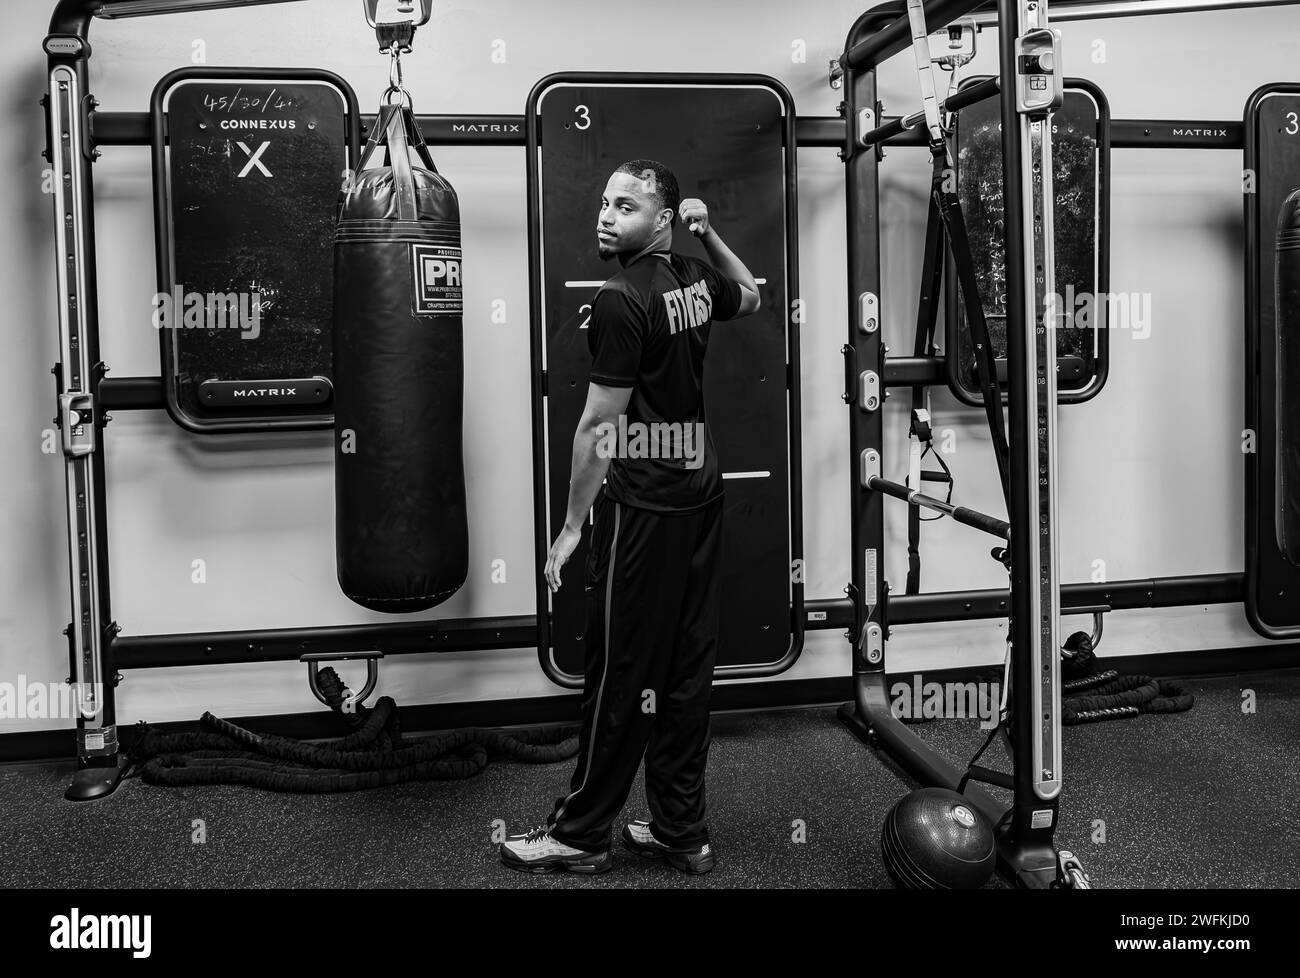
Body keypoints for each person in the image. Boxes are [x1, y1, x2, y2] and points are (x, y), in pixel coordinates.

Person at [499, 159, 760, 875]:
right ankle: (682, 829)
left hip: (644, 508)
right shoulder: (694, 278)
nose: (608, 216)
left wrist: (575, 526)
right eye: (606, 204)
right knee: (683, 670)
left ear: (662, 219)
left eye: (628, 206)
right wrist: (709, 238)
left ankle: (581, 835)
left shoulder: (620, 297)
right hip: (700, 496)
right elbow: (752, 295)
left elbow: (595, 430)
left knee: (619, 675)